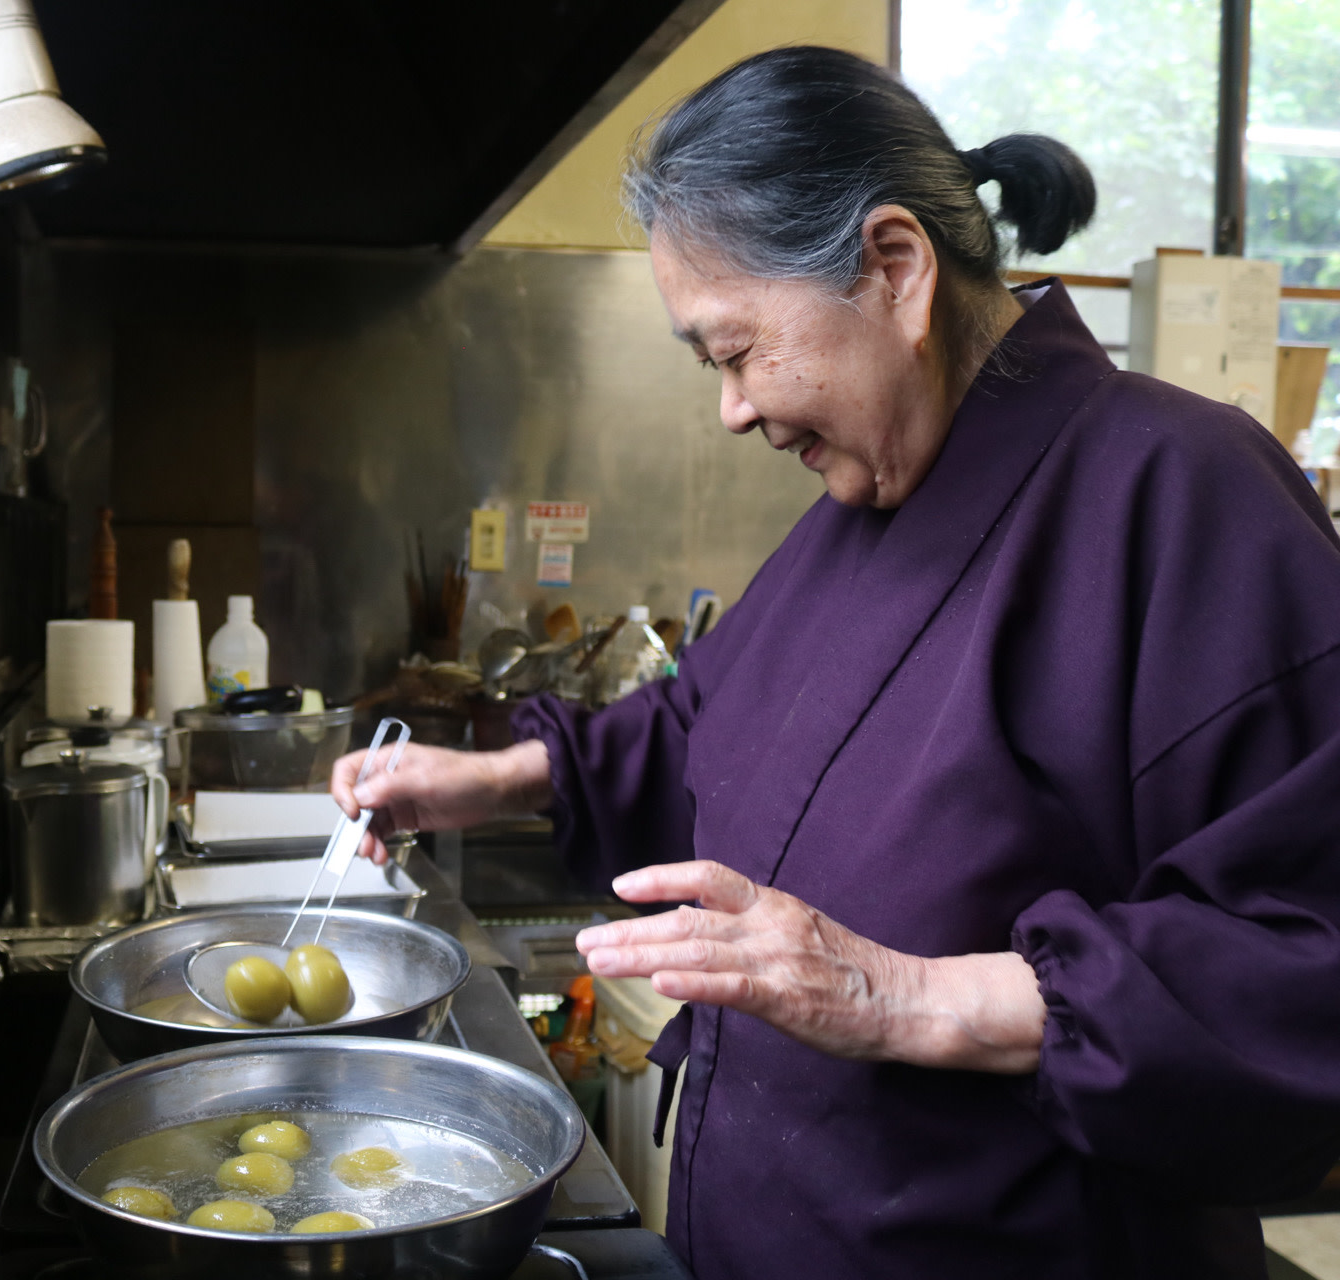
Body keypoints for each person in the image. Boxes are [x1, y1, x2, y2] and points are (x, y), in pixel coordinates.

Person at [331, 46, 1340, 1279]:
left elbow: (1302, 956)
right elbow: (709, 718)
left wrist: (895, 995)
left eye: (736, 351)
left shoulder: (1184, 494)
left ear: (894, 269)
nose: (733, 410)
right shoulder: (859, 510)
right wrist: (495, 779)